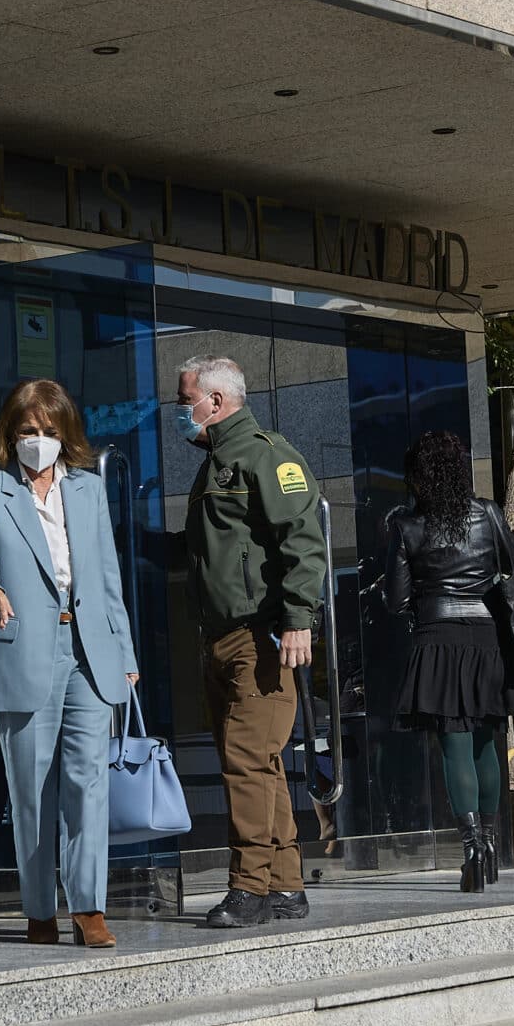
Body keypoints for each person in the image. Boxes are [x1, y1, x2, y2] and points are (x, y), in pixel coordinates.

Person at [0, 379, 139, 948]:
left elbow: (108, 579)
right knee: (31, 791)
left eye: (50, 432)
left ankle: (89, 907)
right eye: (29, 432)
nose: (39, 441)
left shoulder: (87, 491)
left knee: (88, 783)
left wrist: (125, 653)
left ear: (67, 436)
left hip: (89, 650)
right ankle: (40, 910)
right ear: (11, 435)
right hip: (25, 652)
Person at [176, 354, 327, 928]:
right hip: (220, 636)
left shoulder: (265, 454)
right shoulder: (215, 461)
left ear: (216, 401)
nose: (180, 411)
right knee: (258, 765)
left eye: (185, 398)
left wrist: (298, 619)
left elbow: (302, 540)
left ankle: (249, 888)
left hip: (259, 638)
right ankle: (286, 886)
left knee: (245, 762)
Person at [385, 431, 514, 894]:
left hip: (437, 637)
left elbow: (396, 599)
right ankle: (490, 842)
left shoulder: (406, 525)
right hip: (487, 639)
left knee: (455, 745)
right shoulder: (487, 512)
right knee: (489, 742)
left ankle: (472, 850)